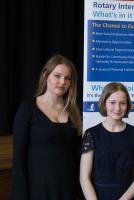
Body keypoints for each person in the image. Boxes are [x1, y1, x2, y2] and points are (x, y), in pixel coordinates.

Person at [11, 54, 82, 200]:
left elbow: (77, 156)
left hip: (67, 188)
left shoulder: (74, 112)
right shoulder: (27, 109)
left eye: (67, 78)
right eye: (57, 76)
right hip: (38, 188)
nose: (62, 82)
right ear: (45, 75)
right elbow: (19, 158)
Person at [80, 82, 134, 200]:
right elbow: (84, 177)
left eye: (122, 103)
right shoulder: (91, 133)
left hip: (127, 196)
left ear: (127, 105)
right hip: (96, 196)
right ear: (104, 104)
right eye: (112, 102)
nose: (117, 108)